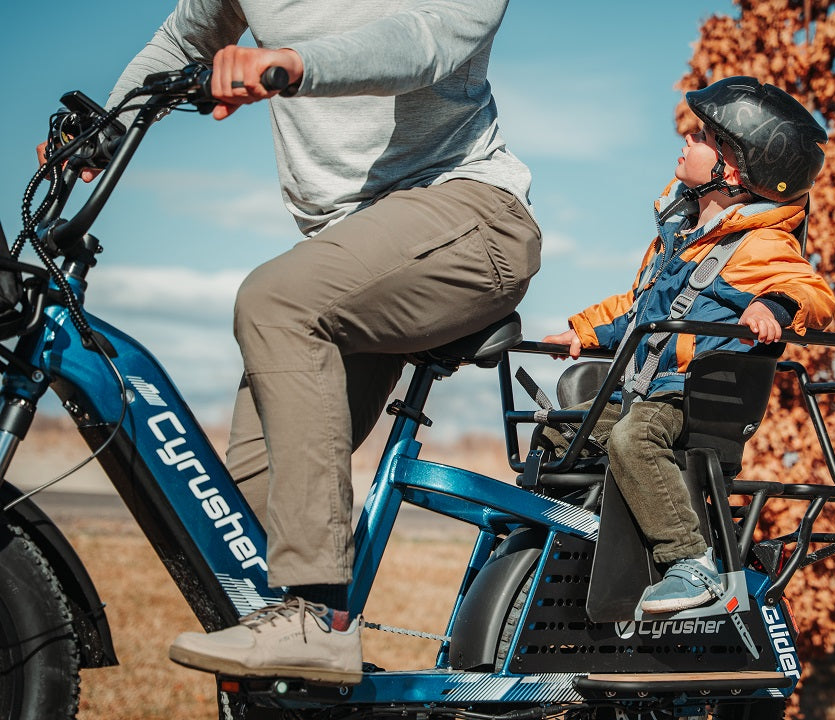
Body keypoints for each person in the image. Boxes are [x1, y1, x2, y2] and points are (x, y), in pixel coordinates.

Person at [97, 0, 541, 682]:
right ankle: (302, 679)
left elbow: (426, 40)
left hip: (472, 217)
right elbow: (184, 37)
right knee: (245, 494)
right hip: (354, 252)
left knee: (274, 302)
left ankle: (318, 616)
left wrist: (292, 64)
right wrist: (105, 126)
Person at [539, 76, 835, 615]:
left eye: (702, 137)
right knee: (562, 427)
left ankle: (690, 562)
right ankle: (563, 534)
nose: (686, 139)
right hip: (646, 393)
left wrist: (772, 307)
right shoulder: (681, 237)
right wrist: (583, 331)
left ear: (734, 170)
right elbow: (638, 308)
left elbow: (811, 291)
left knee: (633, 438)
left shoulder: (760, 244)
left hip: (691, 400)